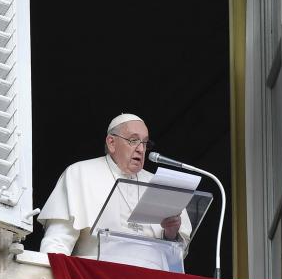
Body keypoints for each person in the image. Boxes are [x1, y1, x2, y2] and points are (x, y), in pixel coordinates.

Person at [38, 114, 192, 269]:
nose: (141, 149)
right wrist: (53, 274)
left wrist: (171, 234)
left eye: (145, 143)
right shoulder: (80, 173)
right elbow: (58, 241)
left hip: (153, 277)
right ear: (111, 143)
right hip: (96, 274)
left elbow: (176, 258)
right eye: (133, 140)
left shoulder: (161, 185)